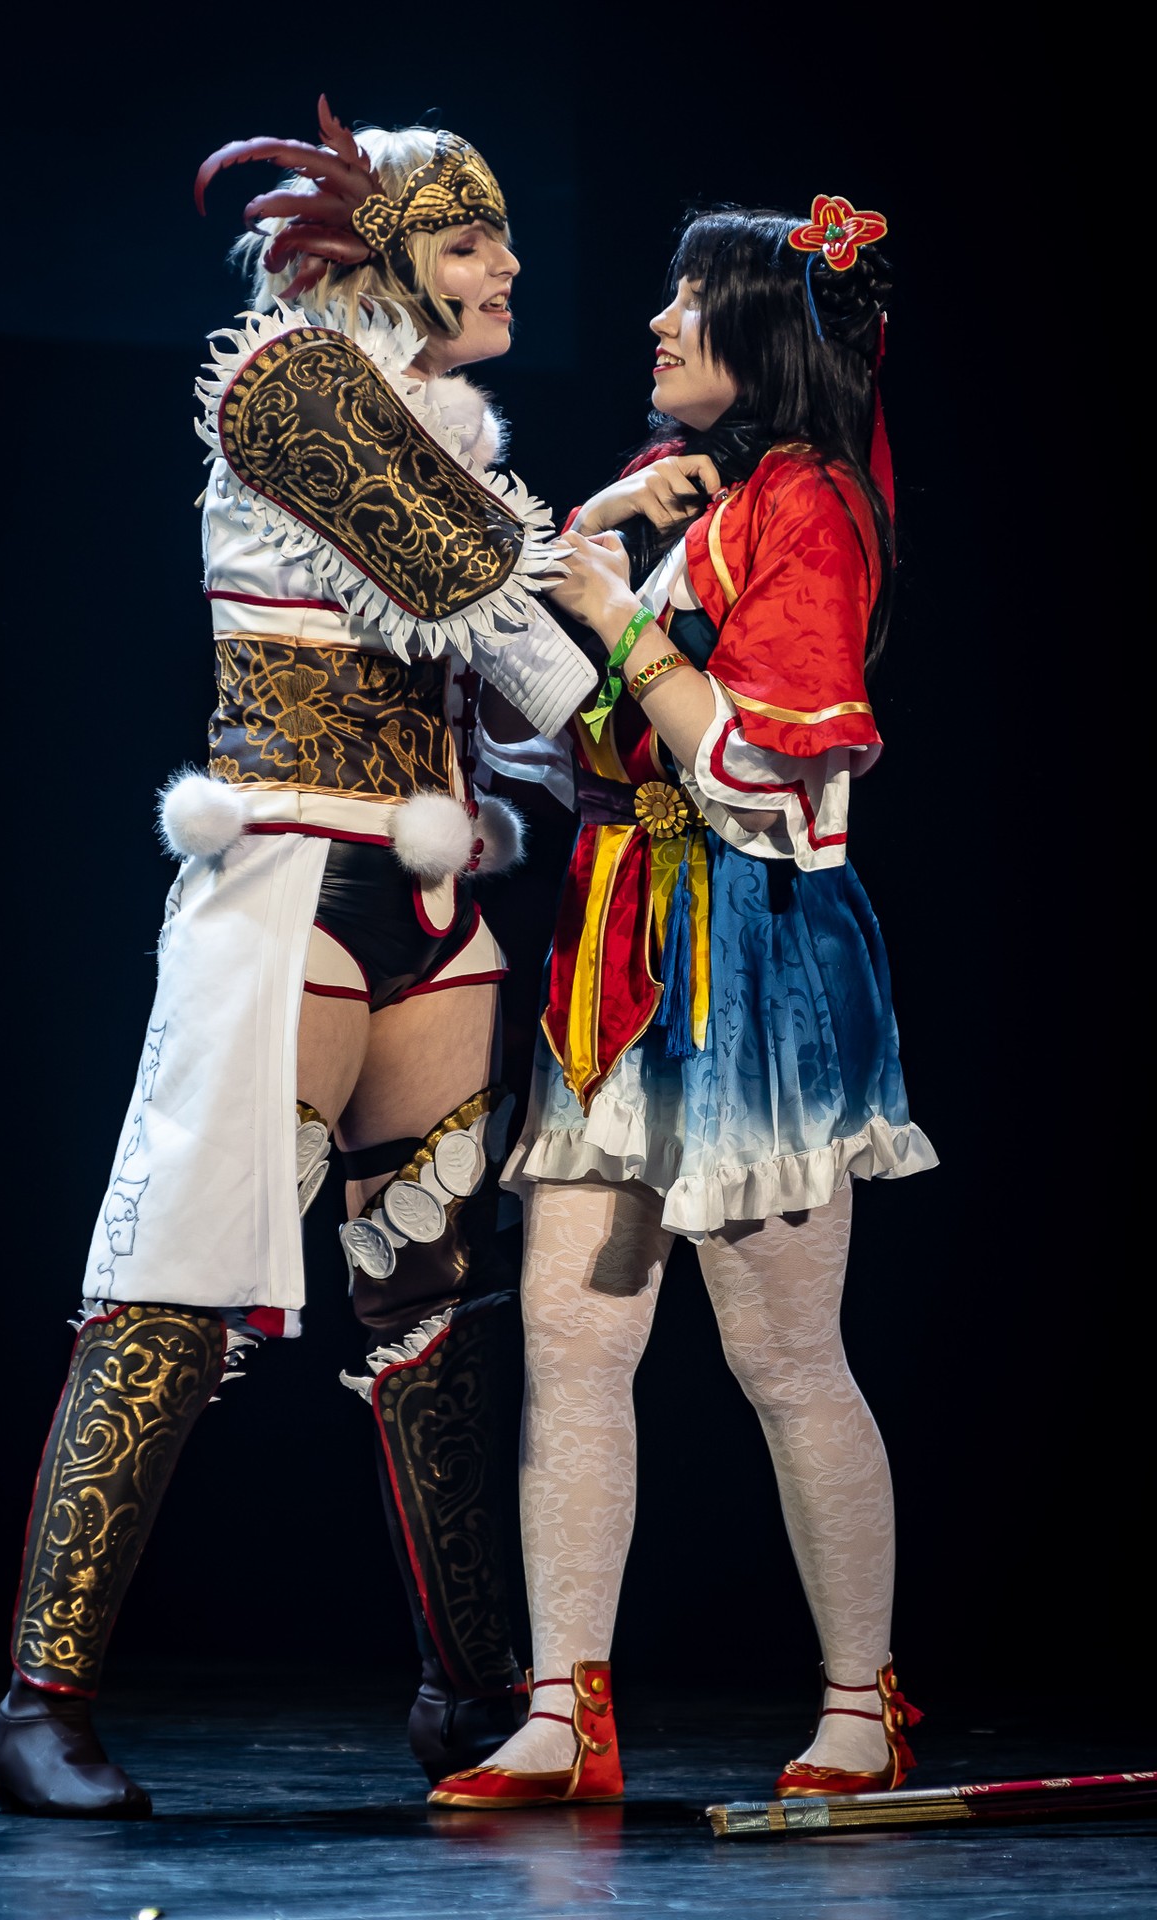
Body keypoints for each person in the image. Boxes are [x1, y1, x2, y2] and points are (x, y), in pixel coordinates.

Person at [0, 99, 597, 1819]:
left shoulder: (439, 424)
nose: (509, 263)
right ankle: (39, 1702)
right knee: (176, 1293)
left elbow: (499, 659)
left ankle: (470, 1696)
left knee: (435, 1311)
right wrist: (669, 711)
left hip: (427, 896)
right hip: (287, 888)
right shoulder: (295, 385)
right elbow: (493, 605)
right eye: (468, 237)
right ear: (387, 257)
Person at [429, 198, 937, 1810]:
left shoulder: (816, 509)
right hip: (621, 948)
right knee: (572, 1341)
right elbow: (563, 730)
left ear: (767, 332)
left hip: (757, 964)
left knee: (783, 1357)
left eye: (689, 298)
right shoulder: (692, 500)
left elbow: (757, 776)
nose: (656, 323)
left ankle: (862, 1702)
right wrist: (594, 544)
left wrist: (612, 611)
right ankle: (562, 1710)